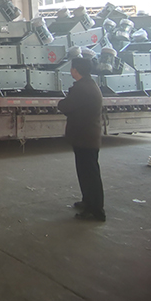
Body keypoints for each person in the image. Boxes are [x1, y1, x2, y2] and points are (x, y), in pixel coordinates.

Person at [57, 57, 106, 222]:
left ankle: (96, 210)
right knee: (86, 173)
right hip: (86, 136)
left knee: (90, 174)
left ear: (75, 70)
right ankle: (88, 201)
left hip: (86, 137)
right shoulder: (89, 84)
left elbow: (65, 106)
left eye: (72, 68)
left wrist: (61, 102)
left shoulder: (81, 88)